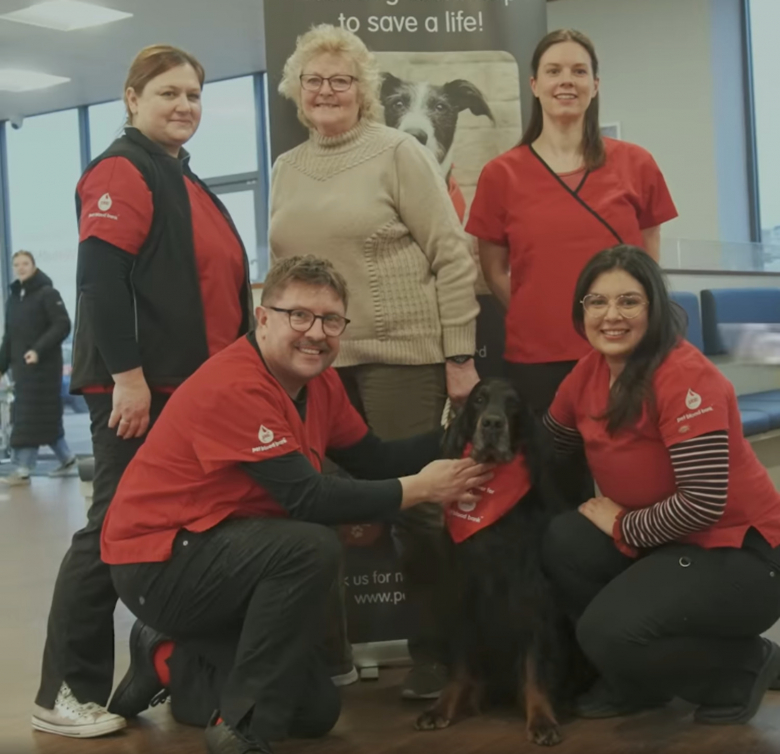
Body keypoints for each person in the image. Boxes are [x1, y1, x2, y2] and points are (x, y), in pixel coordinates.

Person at [98, 256, 491, 754]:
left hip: (224, 551)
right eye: (299, 316)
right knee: (308, 545)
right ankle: (240, 728)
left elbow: (373, 459)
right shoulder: (236, 384)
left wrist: (463, 438)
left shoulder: (319, 383)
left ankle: (167, 656)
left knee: (314, 712)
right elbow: (306, 497)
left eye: (331, 320)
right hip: (158, 562)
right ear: (263, 319)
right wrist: (422, 488)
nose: (316, 333)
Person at [31, 44, 254, 738]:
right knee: (113, 530)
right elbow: (100, 281)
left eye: (193, 94)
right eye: (168, 93)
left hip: (191, 393)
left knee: (183, 531)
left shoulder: (179, 175)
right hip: (141, 393)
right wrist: (128, 378)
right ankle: (64, 692)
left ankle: (162, 659)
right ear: (132, 99)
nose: (184, 105)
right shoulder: (122, 170)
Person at [271, 24, 480, 699]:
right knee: (320, 512)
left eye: (341, 80)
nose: (326, 91)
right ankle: (328, 656)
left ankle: (438, 656)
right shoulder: (285, 168)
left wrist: (459, 357)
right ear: (297, 91)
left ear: (362, 90)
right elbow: (282, 275)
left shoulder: (398, 152)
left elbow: (452, 256)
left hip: (400, 358)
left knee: (418, 509)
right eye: (314, 80)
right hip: (314, 367)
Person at [541, 245, 780, 725]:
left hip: (742, 554)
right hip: (667, 544)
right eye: (597, 302)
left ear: (653, 308)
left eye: (629, 301)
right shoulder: (587, 373)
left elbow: (702, 503)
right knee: (565, 539)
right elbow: (548, 445)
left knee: (606, 632)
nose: (611, 315)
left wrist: (623, 525)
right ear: (581, 311)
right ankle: (637, 683)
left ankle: (746, 666)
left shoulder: (685, 377)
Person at [467, 29, 678, 416]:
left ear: (595, 86)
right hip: (536, 357)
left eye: (579, 71)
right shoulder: (500, 175)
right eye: (554, 71)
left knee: (631, 453)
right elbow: (494, 269)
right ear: (535, 85)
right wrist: (535, 314)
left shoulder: (637, 164)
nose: (566, 80)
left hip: (626, 351)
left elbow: (648, 257)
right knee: (549, 455)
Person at [0, 250, 75, 485]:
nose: (20, 268)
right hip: (23, 371)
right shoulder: (14, 300)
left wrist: (38, 350)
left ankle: (23, 469)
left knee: (29, 418)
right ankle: (67, 458)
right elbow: (9, 338)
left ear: (34, 266)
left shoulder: (47, 294)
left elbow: (62, 324)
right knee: (43, 419)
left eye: (25, 263)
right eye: (16, 264)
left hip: (44, 369)